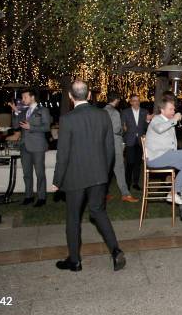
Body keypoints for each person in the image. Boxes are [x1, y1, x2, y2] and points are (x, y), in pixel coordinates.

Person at [52, 80, 125, 272]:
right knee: (98, 212)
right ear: (89, 95)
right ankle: (116, 251)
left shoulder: (67, 119)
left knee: (73, 217)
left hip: (75, 177)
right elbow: (110, 148)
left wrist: (57, 180)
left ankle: (74, 260)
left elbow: (63, 153)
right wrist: (105, 172)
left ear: (70, 96)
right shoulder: (103, 115)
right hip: (99, 175)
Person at [9, 88, 51, 207]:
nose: (23, 100)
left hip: (37, 146)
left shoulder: (43, 110)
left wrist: (31, 127)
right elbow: (16, 126)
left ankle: (41, 197)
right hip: (24, 146)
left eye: (25, 97)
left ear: (32, 97)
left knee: (39, 173)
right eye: (22, 97)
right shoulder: (23, 111)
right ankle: (29, 196)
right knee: (27, 173)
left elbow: (47, 127)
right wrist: (16, 112)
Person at [104, 92, 138, 203]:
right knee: (119, 168)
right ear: (116, 100)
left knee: (105, 170)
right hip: (115, 143)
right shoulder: (115, 112)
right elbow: (117, 130)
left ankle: (103, 193)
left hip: (104, 144)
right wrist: (124, 130)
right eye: (118, 100)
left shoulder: (102, 111)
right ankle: (125, 194)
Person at [121, 94, 149, 191]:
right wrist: (124, 129)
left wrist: (148, 121)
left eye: (137, 100)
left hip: (140, 141)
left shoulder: (145, 112)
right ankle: (127, 184)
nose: (136, 102)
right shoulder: (125, 112)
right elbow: (122, 126)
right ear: (130, 102)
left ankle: (135, 183)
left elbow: (146, 126)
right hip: (130, 140)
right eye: (134, 100)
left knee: (138, 163)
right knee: (130, 163)